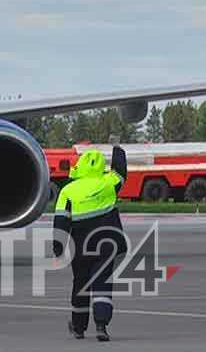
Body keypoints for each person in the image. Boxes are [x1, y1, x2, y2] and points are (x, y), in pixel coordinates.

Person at [53, 145, 128, 342]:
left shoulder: (68, 191)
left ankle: (78, 327)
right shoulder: (108, 183)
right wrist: (117, 149)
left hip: (82, 247)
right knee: (102, 283)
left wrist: (58, 247)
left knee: (80, 284)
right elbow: (120, 171)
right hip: (107, 245)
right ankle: (101, 324)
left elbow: (61, 221)